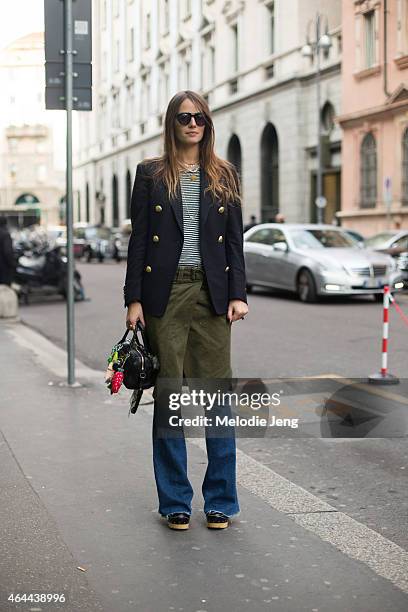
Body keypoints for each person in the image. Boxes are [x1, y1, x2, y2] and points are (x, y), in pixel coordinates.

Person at [124, 90, 249, 531]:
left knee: (217, 400)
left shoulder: (225, 174)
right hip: (165, 295)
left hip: (212, 295)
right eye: (184, 117)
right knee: (170, 400)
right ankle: (175, 500)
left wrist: (239, 292)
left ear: (207, 123)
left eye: (199, 117)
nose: (192, 124)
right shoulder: (151, 174)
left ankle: (221, 500)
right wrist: (133, 298)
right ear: (172, 124)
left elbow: (234, 239)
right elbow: (139, 240)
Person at [0, 217, 15, 286]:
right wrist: (12, 264)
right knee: (4, 290)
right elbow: (8, 252)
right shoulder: (5, 235)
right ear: (5, 224)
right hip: (3, 268)